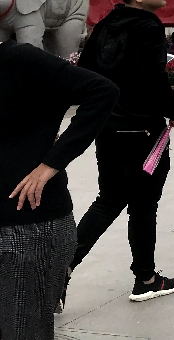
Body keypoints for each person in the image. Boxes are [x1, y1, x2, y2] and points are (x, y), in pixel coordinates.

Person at [70, 0, 174, 304]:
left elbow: (85, 73)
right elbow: (154, 76)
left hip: (108, 130)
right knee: (143, 205)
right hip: (142, 132)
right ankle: (146, 279)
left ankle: (60, 267)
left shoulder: (106, 23)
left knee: (109, 199)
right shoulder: (148, 25)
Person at [1, 41, 119, 338]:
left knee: (22, 331)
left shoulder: (19, 59)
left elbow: (102, 91)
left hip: (28, 229)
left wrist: (51, 163)